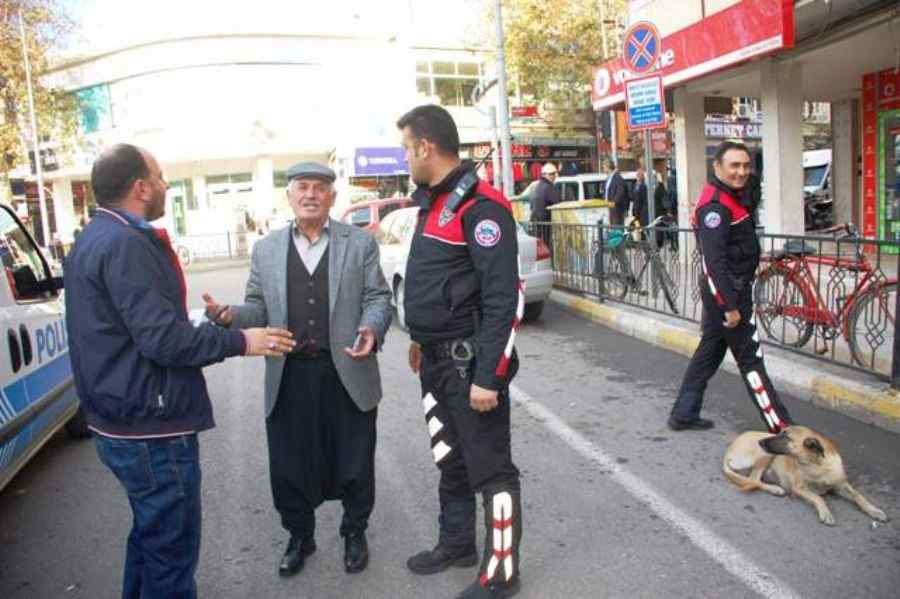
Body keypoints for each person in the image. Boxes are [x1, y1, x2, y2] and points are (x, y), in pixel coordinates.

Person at [64, 143, 295, 599]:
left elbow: (133, 327)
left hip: (122, 418)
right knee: (170, 558)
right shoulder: (126, 244)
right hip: (151, 428)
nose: (166, 185)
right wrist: (243, 341)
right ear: (140, 187)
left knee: (150, 542)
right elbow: (162, 341)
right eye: (160, 177)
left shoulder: (96, 236)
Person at [202, 162, 392, 578]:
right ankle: (300, 536)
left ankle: (354, 531)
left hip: (347, 369)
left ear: (332, 197)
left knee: (355, 459)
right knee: (290, 464)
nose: (310, 194)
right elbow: (258, 307)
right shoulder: (266, 249)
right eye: (302, 187)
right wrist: (230, 316)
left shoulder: (359, 243)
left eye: (319, 187)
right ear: (289, 196)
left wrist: (371, 328)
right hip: (289, 375)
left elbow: (379, 297)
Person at [397, 104, 523, 599]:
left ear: (425, 146)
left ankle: (502, 573)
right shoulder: (435, 202)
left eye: (406, 148)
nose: (405, 158)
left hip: (469, 365)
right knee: (449, 457)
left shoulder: (481, 207)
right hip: (434, 360)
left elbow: (504, 299)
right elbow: (440, 281)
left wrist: (489, 376)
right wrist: (419, 338)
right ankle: (457, 543)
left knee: (492, 471)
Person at [668, 140, 794, 433]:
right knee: (751, 360)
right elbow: (713, 263)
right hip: (729, 294)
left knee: (710, 352)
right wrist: (729, 306)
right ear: (717, 167)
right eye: (734, 165)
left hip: (730, 290)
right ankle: (783, 429)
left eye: (746, 165)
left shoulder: (730, 197)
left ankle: (684, 413)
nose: (741, 172)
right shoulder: (715, 206)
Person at [528, 162, 561, 256]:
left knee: (539, 249)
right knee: (547, 248)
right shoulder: (549, 187)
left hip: (536, 222)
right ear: (547, 175)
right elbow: (557, 203)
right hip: (545, 223)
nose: (554, 177)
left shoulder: (537, 186)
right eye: (552, 174)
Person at [604, 159, 629, 226]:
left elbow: (620, 192)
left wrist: (614, 202)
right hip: (610, 208)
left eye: (604, 167)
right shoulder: (608, 178)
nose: (603, 169)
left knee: (617, 227)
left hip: (617, 209)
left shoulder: (618, 178)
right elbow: (606, 191)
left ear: (608, 167)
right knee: (612, 227)